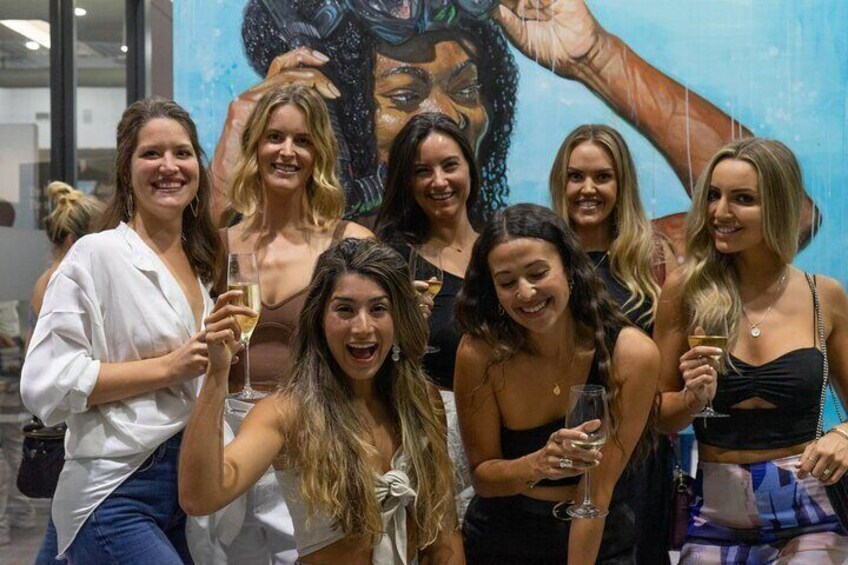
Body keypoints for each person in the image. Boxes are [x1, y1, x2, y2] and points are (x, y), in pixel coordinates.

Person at [207, 0, 819, 250]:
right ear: (340, 115)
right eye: (405, 94)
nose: (445, 115)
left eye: (466, 89)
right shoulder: (303, 256)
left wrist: (595, 58)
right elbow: (208, 272)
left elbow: (785, 212)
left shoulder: (526, 264)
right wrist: (243, 139)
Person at [179, 238, 464, 564]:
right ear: (319, 319)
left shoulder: (421, 401)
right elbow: (200, 497)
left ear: (398, 317)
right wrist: (216, 373)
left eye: (378, 309)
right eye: (344, 309)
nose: (362, 327)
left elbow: (444, 534)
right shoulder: (287, 412)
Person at [21, 97, 220, 562]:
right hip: (115, 489)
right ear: (127, 170)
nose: (169, 166)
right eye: (151, 153)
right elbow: (44, 383)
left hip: (190, 495)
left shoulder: (202, 266)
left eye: (182, 152)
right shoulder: (96, 254)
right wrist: (169, 367)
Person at [197, 84, 372, 564]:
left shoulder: (349, 242)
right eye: (275, 137)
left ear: (320, 154)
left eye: (302, 140)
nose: (287, 152)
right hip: (230, 439)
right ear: (255, 145)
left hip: (313, 439)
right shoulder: (219, 245)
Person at [655, 137, 848, 561]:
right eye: (713, 195)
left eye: (742, 199)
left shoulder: (824, 296)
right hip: (716, 513)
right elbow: (658, 415)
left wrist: (844, 435)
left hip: (813, 511)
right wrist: (691, 400)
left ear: (779, 206)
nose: (720, 212)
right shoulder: (686, 291)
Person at [454, 203, 659, 564]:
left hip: (597, 535)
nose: (526, 293)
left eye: (538, 273)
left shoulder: (632, 354)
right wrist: (537, 464)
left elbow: (596, 491)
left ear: (569, 269)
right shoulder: (480, 353)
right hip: (503, 534)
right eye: (507, 282)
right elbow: (484, 477)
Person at [549, 124, 674, 563]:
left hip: (638, 456)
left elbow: (667, 376)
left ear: (622, 185)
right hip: (565, 450)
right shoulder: (544, 259)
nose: (588, 189)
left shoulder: (653, 259)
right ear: (560, 182)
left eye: (602, 176)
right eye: (575, 176)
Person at [374, 112, 480, 518]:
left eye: (450, 165)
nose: (439, 181)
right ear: (406, 181)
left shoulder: (501, 250)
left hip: (506, 439)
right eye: (423, 171)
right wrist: (401, 332)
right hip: (429, 444)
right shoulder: (391, 258)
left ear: (469, 168)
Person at [27, 181, 104, 564]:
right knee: (64, 528)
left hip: (69, 421)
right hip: (69, 422)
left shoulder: (50, 278)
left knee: (63, 527)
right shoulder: (61, 282)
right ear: (76, 241)